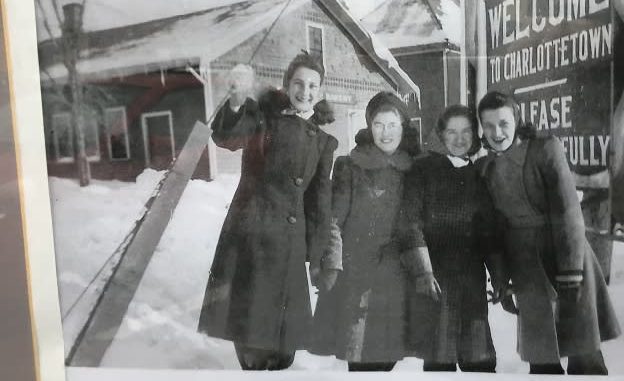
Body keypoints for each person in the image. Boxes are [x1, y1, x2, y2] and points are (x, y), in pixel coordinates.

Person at [197, 53, 340, 371]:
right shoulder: (263, 119)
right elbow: (228, 138)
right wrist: (236, 97)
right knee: (254, 348)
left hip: (288, 253)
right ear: (288, 85)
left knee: (284, 353)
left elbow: (319, 202)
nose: (305, 91)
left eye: (313, 85)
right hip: (251, 247)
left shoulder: (324, 142)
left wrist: (317, 259)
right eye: (299, 83)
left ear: (320, 91)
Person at [476, 91, 621, 375]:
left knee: (584, 358)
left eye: (504, 123)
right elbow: (498, 229)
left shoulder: (544, 149)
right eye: (489, 125)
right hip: (526, 268)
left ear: (516, 120)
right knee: (541, 360)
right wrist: (502, 278)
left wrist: (571, 272)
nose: (497, 132)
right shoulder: (487, 168)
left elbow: (568, 210)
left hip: (566, 258)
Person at [309, 91, 421, 371]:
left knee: (389, 357)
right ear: (370, 127)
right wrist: (332, 266)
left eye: (392, 125)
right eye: (379, 125)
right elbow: (334, 221)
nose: (386, 133)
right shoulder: (351, 165)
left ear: (403, 127)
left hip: (398, 276)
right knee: (360, 358)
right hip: (358, 277)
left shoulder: (415, 168)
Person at [396, 104, 504, 372]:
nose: (459, 139)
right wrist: (423, 271)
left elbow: (487, 231)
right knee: (439, 362)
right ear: (441, 135)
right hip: (436, 283)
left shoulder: (478, 174)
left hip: (471, 283)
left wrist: (499, 275)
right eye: (452, 132)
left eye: (466, 132)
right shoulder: (422, 170)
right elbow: (409, 223)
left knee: (480, 362)